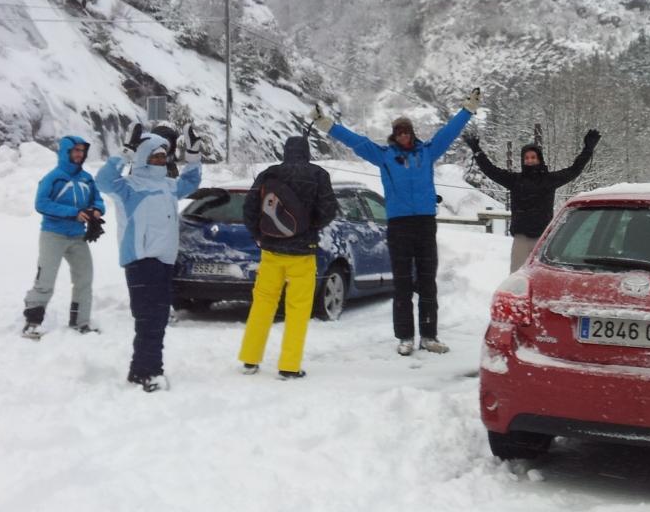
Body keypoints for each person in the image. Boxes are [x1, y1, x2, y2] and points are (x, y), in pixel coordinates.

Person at [309, 89, 479, 356]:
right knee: (401, 283)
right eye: (399, 132)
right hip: (399, 225)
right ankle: (405, 337)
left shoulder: (428, 152)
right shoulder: (385, 156)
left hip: (424, 223)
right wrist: (327, 125)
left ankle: (429, 336)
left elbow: (448, 133)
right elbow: (356, 142)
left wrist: (467, 110)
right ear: (394, 135)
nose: (403, 135)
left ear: (412, 134)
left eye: (407, 131)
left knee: (427, 281)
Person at [97, 125, 204, 392]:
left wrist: (192, 155)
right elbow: (103, 181)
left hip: (165, 260)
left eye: (162, 156)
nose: (159, 160)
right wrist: (125, 154)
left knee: (157, 319)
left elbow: (191, 182)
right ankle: (147, 372)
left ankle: (143, 369)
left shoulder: (169, 186)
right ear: (142, 156)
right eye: (154, 155)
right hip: (140, 259)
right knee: (148, 319)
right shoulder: (128, 186)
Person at [237, 135, 339, 379]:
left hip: (271, 252)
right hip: (302, 253)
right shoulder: (318, 175)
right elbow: (329, 210)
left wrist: (259, 235)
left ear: (285, 152)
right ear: (306, 152)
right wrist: (309, 225)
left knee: (262, 305)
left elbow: (249, 208)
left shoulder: (268, 174)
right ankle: (289, 366)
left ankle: (250, 359)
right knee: (297, 309)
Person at [463, 129, 601, 271]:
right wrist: (476, 150)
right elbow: (490, 170)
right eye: (526, 158)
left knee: (542, 276)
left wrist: (588, 149)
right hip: (521, 238)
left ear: (539, 159)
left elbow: (574, 170)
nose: (529, 160)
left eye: (533, 157)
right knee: (517, 275)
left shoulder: (549, 180)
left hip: (543, 238)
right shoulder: (515, 180)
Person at [21, 135, 106, 339]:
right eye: (75, 150)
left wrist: (96, 211)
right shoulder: (53, 177)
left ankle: (80, 322)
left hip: (78, 236)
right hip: (53, 234)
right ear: (65, 152)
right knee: (46, 279)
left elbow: (98, 199)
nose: (79, 154)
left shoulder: (87, 178)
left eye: (82, 151)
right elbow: (41, 203)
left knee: (85, 279)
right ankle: (32, 322)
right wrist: (73, 212)